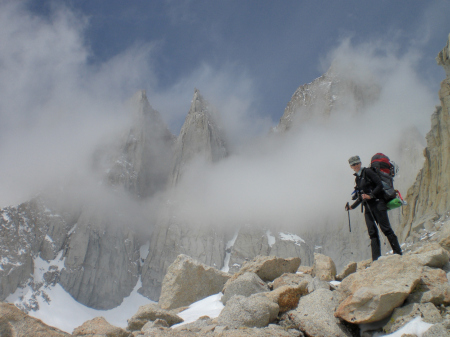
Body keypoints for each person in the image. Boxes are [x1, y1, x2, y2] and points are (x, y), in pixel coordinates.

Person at [345, 155, 402, 260]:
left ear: (360, 163)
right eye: (353, 164)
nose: (355, 166)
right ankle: (376, 259)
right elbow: (361, 195)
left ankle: (398, 253)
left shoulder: (368, 172)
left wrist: (370, 195)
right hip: (368, 207)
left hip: (378, 204)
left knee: (386, 229)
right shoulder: (358, 178)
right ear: (351, 166)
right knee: (372, 233)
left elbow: (379, 185)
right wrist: (351, 207)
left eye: (357, 163)